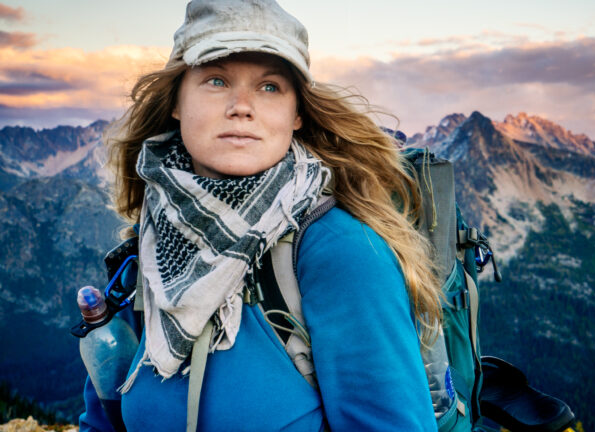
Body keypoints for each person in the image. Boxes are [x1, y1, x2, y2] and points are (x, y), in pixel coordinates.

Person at [78, 0, 443, 430]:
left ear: (298, 114)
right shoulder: (156, 242)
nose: (242, 106)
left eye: (270, 87)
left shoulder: (338, 251)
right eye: (216, 80)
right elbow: (104, 419)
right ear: (176, 101)